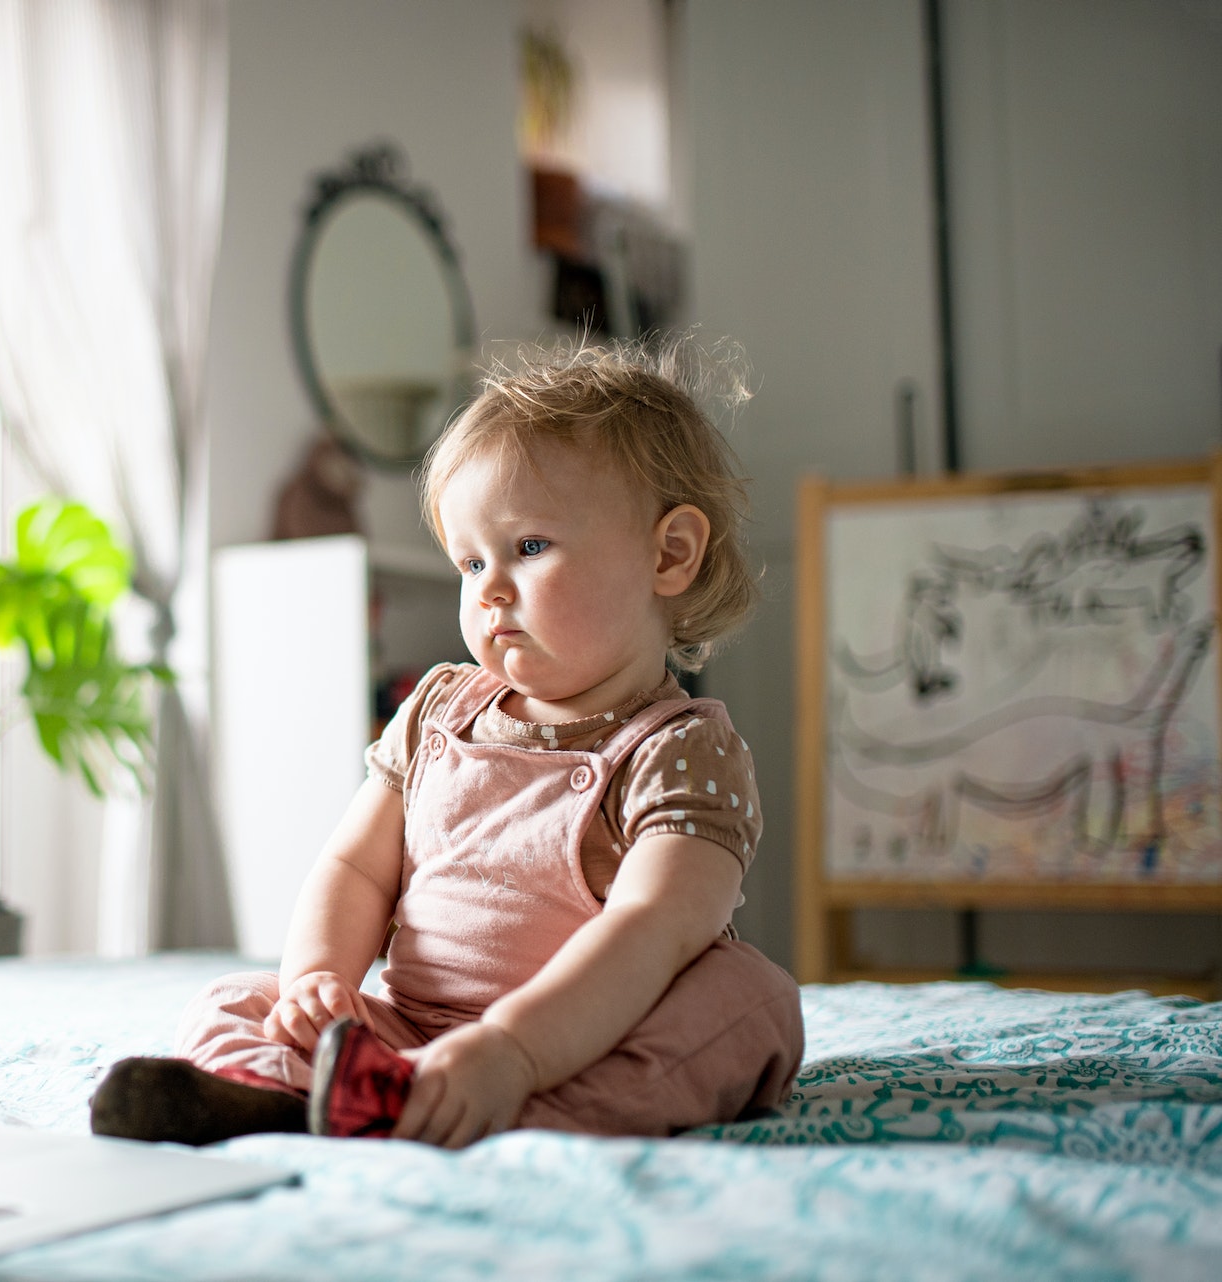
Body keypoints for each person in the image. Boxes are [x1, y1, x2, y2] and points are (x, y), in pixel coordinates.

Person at [91, 339, 804, 1149]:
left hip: (582, 1044)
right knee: (230, 999)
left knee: (753, 1003)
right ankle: (293, 1098)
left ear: (668, 554)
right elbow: (355, 867)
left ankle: (500, 1116)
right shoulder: (437, 710)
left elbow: (649, 929)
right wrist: (317, 983)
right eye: (470, 561)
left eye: (529, 548)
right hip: (406, 1029)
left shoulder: (679, 752)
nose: (489, 589)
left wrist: (511, 1052)